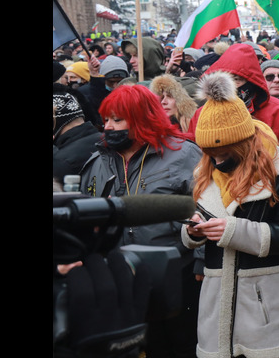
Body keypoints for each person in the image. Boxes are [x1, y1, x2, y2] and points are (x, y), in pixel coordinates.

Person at [183, 71, 279, 358]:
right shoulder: (205, 172)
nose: (216, 160)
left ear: (242, 142)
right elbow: (198, 219)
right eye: (209, 152)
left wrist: (232, 231)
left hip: (266, 308)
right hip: (217, 304)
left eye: (224, 152)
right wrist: (193, 232)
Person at [78, 84, 202, 358]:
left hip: (176, 273)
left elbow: (207, 210)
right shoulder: (98, 160)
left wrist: (202, 260)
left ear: (142, 117)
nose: (109, 126)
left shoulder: (183, 154)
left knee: (180, 346)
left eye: (118, 119)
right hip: (121, 278)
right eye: (106, 119)